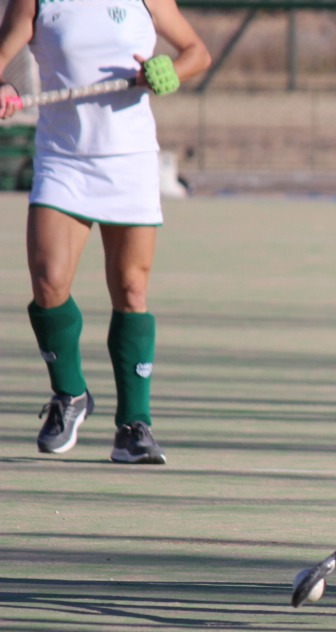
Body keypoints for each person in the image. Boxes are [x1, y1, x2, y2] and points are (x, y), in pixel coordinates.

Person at [0, 0, 210, 463]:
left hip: (130, 160)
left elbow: (197, 51)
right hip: (63, 158)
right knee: (49, 282)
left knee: (132, 289)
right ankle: (70, 395)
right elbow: (2, 55)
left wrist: (170, 70)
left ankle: (134, 427)